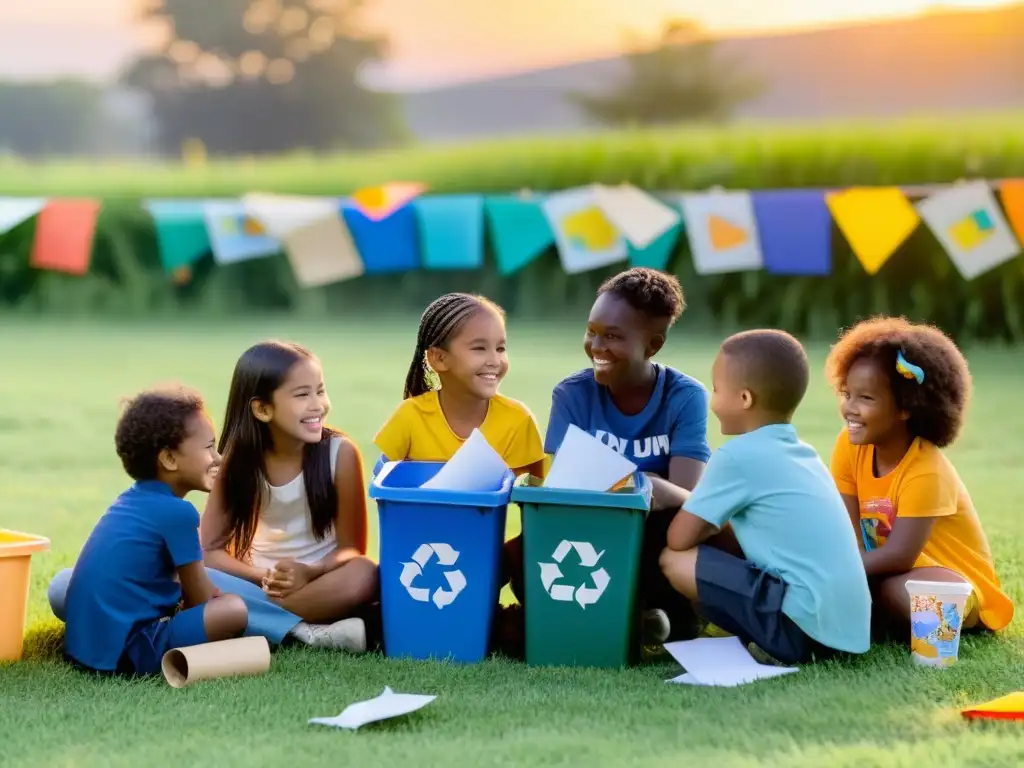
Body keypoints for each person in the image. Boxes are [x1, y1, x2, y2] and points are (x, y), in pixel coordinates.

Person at [659, 330, 872, 665]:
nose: (712, 400)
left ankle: (761, 640)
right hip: (847, 635)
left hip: (802, 632)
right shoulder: (804, 453)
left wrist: (669, 492)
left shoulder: (736, 456)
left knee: (675, 560)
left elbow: (679, 537)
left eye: (716, 390)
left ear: (744, 399)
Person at [542, 267, 711, 643]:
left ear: (653, 346)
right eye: (592, 331)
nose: (597, 347)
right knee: (527, 569)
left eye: (613, 336)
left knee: (680, 539)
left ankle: (659, 613)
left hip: (659, 535)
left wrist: (651, 491)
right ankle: (636, 614)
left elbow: (687, 501)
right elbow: (563, 495)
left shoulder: (684, 396)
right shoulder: (572, 394)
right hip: (591, 530)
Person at [373, 293, 545, 653]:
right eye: (479, 349)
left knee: (521, 554)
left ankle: (510, 619)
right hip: (417, 553)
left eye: (501, 348)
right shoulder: (411, 417)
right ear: (438, 359)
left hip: (484, 559)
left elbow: (542, 500)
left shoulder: (516, 421)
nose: (495, 361)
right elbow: (385, 480)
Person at [825, 316, 1014, 637]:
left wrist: (833, 574)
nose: (849, 409)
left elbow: (900, 555)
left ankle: (939, 619)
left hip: (950, 581)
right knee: (870, 586)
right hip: (885, 572)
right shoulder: (849, 446)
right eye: (847, 394)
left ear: (906, 407)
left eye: (866, 398)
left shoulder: (926, 469)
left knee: (895, 592)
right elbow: (849, 537)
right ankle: (880, 616)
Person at [199, 341, 379, 652]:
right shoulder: (238, 461)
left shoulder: (340, 453)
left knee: (365, 575)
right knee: (179, 567)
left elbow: (352, 549)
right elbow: (210, 550)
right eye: (302, 395)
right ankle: (306, 632)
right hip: (260, 583)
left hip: (321, 578)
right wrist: (264, 576)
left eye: (320, 391)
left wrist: (309, 572)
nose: (318, 405)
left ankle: (254, 620)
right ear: (262, 409)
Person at [60, 387, 249, 676]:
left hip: (83, 650)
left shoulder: (130, 499)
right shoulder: (178, 513)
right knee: (233, 609)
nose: (219, 457)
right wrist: (212, 598)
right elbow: (197, 600)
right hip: (128, 652)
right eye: (209, 447)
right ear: (169, 459)